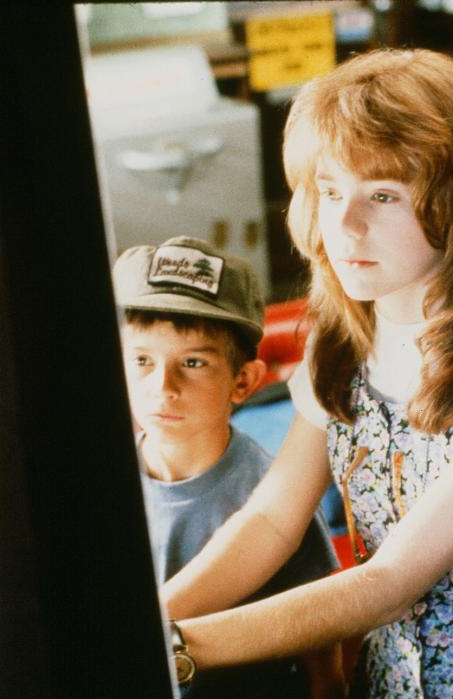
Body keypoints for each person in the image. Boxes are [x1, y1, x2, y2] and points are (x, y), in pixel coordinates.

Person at [159, 49, 453, 698]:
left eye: (383, 195)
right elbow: (273, 520)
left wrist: (181, 647)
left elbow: (391, 582)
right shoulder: (340, 340)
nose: (345, 225)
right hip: (398, 679)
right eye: (330, 189)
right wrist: (155, 614)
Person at [113, 236, 343, 698]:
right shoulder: (100, 480)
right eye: (141, 360)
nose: (164, 386)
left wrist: (328, 687)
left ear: (244, 381)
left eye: (193, 362)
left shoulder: (274, 492)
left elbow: (319, 633)